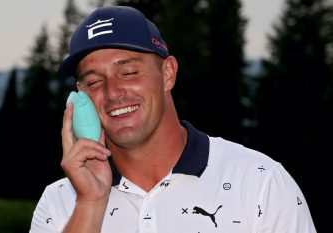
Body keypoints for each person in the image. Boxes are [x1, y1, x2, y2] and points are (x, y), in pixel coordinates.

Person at [29, 5, 317, 233]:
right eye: (93, 81)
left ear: (168, 73)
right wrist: (91, 203)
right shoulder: (60, 202)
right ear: (80, 96)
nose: (113, 92)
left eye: (129, 72)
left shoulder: (260, 182)